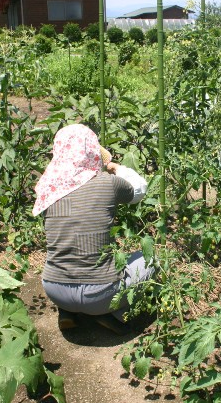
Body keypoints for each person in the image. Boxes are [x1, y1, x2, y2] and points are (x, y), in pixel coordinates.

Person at [32, 124, 150, 335]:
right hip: (102, 293)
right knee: (153, 258)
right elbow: (140, 189)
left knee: (67, 246)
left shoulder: (46, 189)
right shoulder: (108, 184)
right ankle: (112, 314)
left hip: (54, 289)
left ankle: (67, 312)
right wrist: (117, 168)